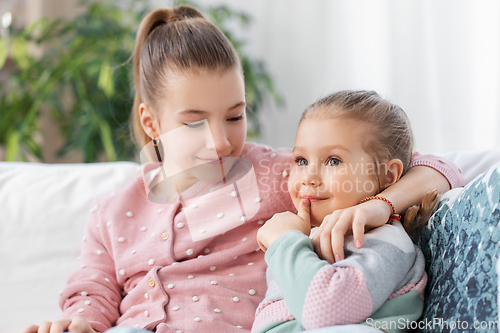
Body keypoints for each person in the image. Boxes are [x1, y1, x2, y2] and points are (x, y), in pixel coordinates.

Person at [22, 6, 463, 333]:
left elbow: (438, 168)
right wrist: (79, 322)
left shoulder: (279, 175)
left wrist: (378, 205)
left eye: (234, 116)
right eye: (194, 122)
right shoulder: (111, 214)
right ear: (151, 122)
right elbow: (93, 293)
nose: (219, 141)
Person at [252, 90, 461, 333]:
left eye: (333, 161)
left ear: (387, 175)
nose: (308, 177)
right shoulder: (307, 233)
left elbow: (325, 310)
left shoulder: (383, 242)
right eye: (301, 160)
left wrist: (285, 242)